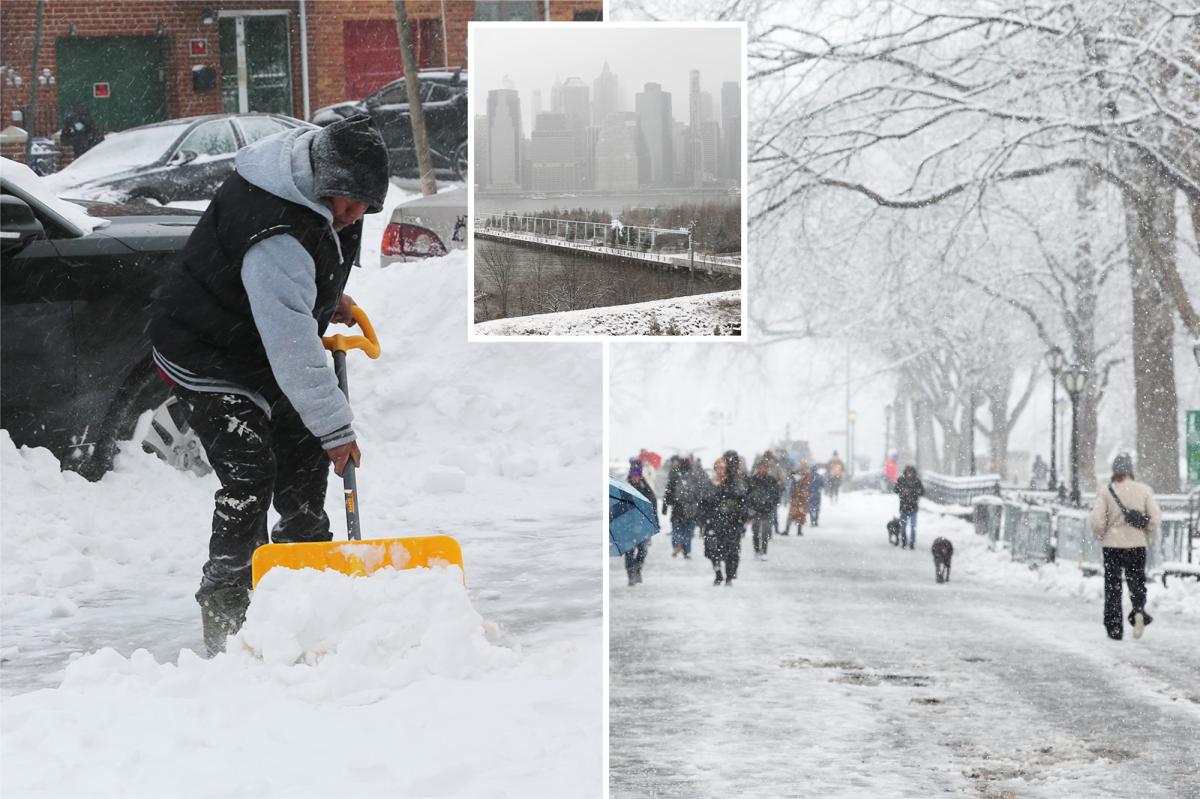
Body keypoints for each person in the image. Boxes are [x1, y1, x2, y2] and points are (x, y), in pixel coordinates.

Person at [149, 114, 389, 656]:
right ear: (325, 180)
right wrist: (337, 430)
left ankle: (304, 578)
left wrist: (325, 297)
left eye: (365, 207)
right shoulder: (275, 229)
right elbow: (291, 344)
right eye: (349, 203)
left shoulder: (320, 190)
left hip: (255, 338)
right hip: (206, 348)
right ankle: (227, 607)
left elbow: (305, 268)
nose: (354, 216)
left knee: (303, 452)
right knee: (251, 471)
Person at [1089, 454, 1162, 641]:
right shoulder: (1144, 490)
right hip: (1136, 545)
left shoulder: (1106, 492)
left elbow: (1097, 521)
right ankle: (1138, 610)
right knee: (1137, 582)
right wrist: (1145, 528)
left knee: (1113, 586)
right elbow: (1155, 518)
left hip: (1112, 545)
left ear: (1114, 471)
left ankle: (1114, 627)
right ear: (1131, 470)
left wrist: (1102, 533)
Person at [701, 452, 748, 586]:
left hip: (731, 524)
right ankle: (718, 574)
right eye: (717, 467)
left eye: (722, 467)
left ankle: (729, 576)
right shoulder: (709, 484)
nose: (719, 470)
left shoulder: (734, 483)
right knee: (712, 551)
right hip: (712, 524)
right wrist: (703, 519)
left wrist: (740, 519)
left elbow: (742, 502)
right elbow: (703, 503)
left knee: (731, 552)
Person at [662, 455, 703, 558]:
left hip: (677, 507)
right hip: (690, 508)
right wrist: (699, 506)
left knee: (676, 528)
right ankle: (686, 551)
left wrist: (665, 506)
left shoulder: (675, 475)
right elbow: (699, 494)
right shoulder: (694, 476)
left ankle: (677, 544)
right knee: (688, 530)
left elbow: (668, 491)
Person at [625, 457, 657, 586]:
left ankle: (638, 568)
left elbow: (653, 505)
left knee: (643, 551)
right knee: (629, 552)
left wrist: (654, 523)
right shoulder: (624, 488)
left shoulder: (646, 489)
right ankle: (631, 575)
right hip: (627, 526)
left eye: (637, 475)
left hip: (643, 526)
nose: (635, 478)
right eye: (633, 475)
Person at [747, 458, 780, 559]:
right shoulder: (752, 480)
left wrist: (773, 504)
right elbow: (747, 494)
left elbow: (776, 494)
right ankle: (757, 550)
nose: (762, 470)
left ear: (767, 469)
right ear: (757, 468)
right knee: (756, 531)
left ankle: (764, 552)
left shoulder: (771, 480)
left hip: (767, 509)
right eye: (760, 468)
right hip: (755, 509)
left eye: (764, 468)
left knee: (765, 532)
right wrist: (749, 506)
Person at [894, 465, 924, 549]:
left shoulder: (917, 481)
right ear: (906, 472)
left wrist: (913, 492)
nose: (909, 474)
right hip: (903, 508)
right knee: (903, 527)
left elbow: (922, 492)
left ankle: (912, 543)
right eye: (908, 472)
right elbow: (895, 490)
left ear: (913, 473)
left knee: (913, 527)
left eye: (911, 472)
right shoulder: (901, 480)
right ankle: (904, 542)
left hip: (914, 508)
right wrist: (902, 490)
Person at [783, 460, 810, 536]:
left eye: (803, 464)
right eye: (800, 464)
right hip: (795, 496)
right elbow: (789, 477)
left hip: (802, 497)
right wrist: (791, 473)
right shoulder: (796, 472)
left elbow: (806, 483)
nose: (801, 466)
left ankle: (799, 531)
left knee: (801, 514)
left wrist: (799, 480)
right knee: (791, 514)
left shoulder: (807, 473)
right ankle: (787, 530)